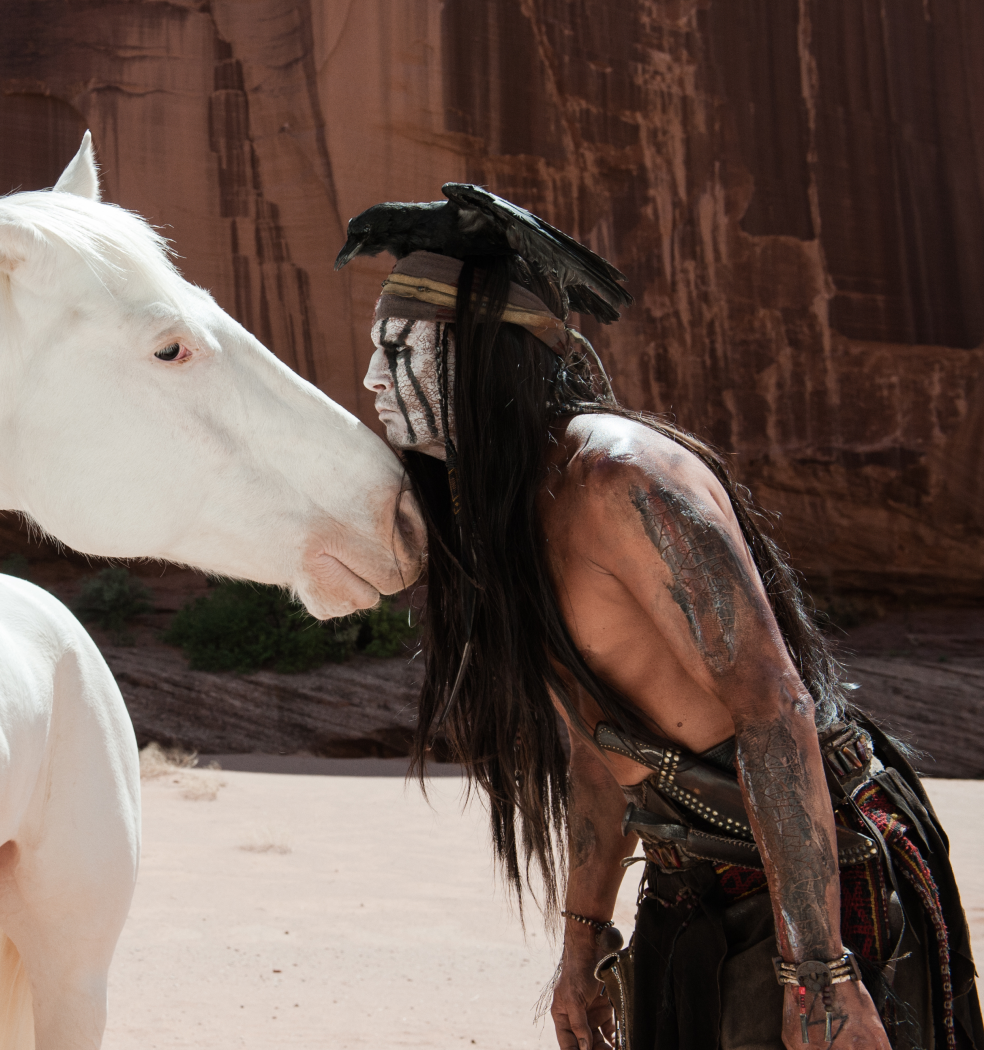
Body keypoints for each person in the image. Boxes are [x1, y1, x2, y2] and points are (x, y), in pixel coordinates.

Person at [343, 190, 982, 1050]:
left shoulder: (622, 477)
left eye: (400, 348)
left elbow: (773, 710)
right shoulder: (508, 513)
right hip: (689, 883)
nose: (373, 378)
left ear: (485, 353)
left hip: (819, 893)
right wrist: (583, 947)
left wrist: (820, 974)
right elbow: (597, 754)